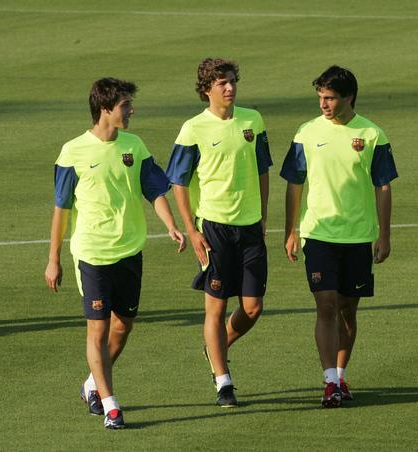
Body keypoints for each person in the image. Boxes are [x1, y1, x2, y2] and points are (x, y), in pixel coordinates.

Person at [44, 77, 186, 429]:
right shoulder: (72, 152)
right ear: (105, 109)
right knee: (98, 328)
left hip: (130, 251)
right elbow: (61, 210)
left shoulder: (134, 146)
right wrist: (53, 259)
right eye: (125, 105)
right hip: (93, 254)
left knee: (123, 325)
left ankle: (92, 384)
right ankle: (110, 405)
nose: (131, 110)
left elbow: (154, 189)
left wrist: (170, 224)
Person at [281, 65, 397, 408]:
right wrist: (291, 230)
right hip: (319, 234)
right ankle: (330, 380)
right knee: (327, 305)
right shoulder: (306, 133)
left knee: (348, 310)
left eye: (330, 98)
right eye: (320, 97)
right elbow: (294, 184)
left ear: (349, 97)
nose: (323, 104)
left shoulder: (373, 135)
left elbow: (384, 186)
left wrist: (385, 234)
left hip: (359, 236)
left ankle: (341, 375)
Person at [165, 58, 272, 408]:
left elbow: (262, 171)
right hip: (214, 228)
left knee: (253, 308)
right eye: (221, 83)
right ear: (206, 89)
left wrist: (263, 217)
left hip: (251, 227)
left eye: (232, 81)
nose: (229, 88)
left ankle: (215, 348)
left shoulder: (252, 121)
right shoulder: (193, 129)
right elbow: (178, 183)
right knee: (215, 306)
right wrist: (191, 230)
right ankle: (223, 381)